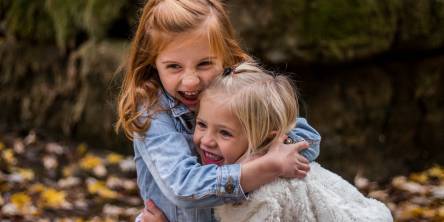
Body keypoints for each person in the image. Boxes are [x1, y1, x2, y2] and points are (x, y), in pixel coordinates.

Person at [115, 0, 321, 221]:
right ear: (153, 62)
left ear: (226, 55)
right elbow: (184, 187)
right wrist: (263, 167)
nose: (191, 81)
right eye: (174, 66)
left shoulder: (238, 91)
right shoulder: (152, 110)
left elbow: (307, 139)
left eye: (204, 64)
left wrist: (255, 158)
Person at [187, 62, 391, 222]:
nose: (206, 140)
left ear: (265, 138)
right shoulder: (228, 171)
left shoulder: (270, 192)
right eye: (202, 124)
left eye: (224, 133)